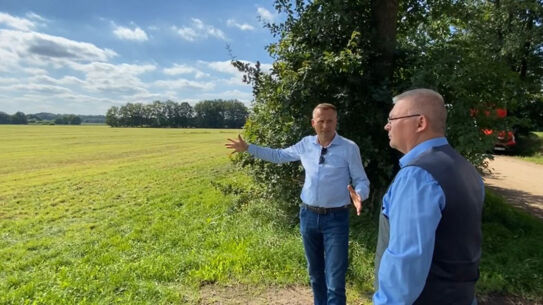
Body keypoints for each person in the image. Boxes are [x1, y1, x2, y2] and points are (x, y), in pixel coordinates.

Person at [226, 103, 370, 305]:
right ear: (313, 123)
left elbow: (361, 180)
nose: (325, 125)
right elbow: (278, 155)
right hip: (308, 216)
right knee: (315, 274)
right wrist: (249, 148)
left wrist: (359, 195)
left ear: (336, 122)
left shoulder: (349, 148)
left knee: (335, 280)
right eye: (321, 121)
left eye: (330, 121)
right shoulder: (305, 144)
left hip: (336, 219)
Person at [371, 89, 484, 305]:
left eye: (392, 118)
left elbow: (406, 262)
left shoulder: (418, 177)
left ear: (420, 123)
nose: (387, 126)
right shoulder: (467, 170)